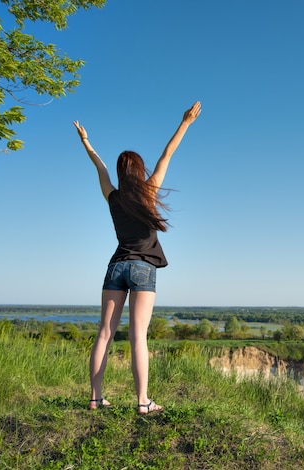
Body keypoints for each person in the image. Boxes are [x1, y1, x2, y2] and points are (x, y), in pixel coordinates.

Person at [73, 101, 201, 414]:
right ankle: (143, 401)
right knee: (137, 336)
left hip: (115, 266)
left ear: (120, 172)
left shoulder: (112, 196)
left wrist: (86, 141)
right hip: (143, 267)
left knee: (104, 332)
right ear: (139, 170)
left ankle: (95, 398)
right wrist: (185, 122)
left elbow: (98, 166)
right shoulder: (150, 190)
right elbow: (167, 154)